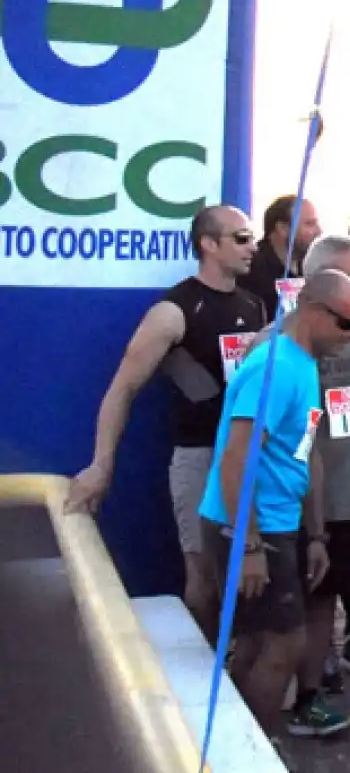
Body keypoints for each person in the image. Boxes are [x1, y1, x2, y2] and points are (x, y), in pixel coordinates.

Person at [67, 205, 269, 637]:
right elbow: (123, 388)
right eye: (241, 237)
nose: (253, 247)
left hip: (252, 457)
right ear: (208, 244)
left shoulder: (254, 306)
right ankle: (201, 670)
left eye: (252, 238)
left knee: (253, 570)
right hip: (199, 456)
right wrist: (101, 464)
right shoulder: (176, 310)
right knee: (204, 571)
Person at [199, 270, 350, 731]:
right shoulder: (277, 369)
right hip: (252, 526)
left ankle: (233, 742)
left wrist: (315, 534)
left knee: (258, 641)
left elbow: (303, 450)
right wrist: (248, 544)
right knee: (284, 643)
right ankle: (254, 747)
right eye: (347, 324)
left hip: (277, 523)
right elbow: (236, 458)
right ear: (314, 311)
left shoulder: (305, 362)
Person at [292, 237, 350, 736]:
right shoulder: (277, 350)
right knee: (297, 599)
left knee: (326, 594)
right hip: (301, 501)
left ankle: (316, 681)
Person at [240, 194, 323, 312]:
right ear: (282, 228)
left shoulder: (312, 268)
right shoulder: (250, 267)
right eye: (309, 224)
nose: (319, 231)